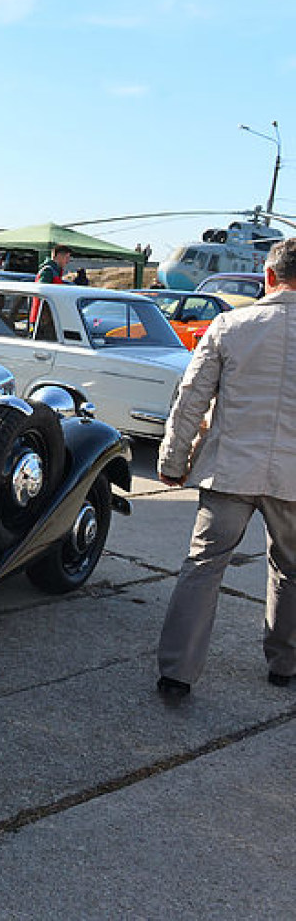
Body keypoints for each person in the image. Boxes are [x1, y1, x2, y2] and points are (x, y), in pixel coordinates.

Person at [154, 237, 296, 697]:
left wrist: (173, 461)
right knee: (291, 569)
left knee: (203, 567)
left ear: (269, 277)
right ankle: (285, 663)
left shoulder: (229, 325)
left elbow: (190, 398)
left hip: (230, 470)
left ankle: (177, 674)